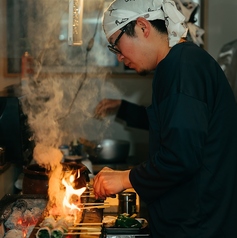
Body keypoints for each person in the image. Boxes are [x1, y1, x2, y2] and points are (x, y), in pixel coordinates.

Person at [93, 0, 237, 237]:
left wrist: (124, 178)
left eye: (116, 45)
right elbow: (170, 128)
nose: (119, 57)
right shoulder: (177, 64)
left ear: (142, 27)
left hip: (199, 226)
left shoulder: (182, 67)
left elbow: (181, 157)